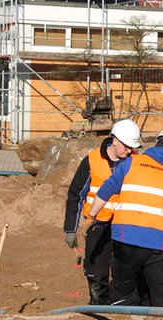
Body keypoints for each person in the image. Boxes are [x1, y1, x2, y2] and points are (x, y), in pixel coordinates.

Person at [83, 128, 163, 309]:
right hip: (160, 244)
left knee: (123, 291)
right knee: (162, 294)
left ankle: (122, 310)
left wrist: (91, 216)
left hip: (126, 239)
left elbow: (106, 191)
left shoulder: (132, 162)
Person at [63, 118, 141, 305]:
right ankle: (99, 303)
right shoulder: (92, 161)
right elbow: (75, 195)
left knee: (126, 266)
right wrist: (70, 229)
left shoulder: (136, 161)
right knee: (96, 268)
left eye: (132, 147)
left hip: (125, 224)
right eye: (127, 146)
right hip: (96, 224)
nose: (130, 150)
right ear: (115, 140)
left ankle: (125, 304)